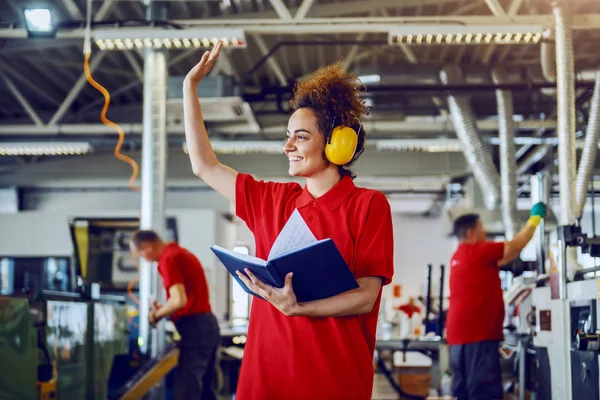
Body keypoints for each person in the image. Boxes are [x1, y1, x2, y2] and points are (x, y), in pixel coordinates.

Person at [183, 41, 394, 400]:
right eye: (287, 136)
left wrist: (299, 308)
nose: (288, 146)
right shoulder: (272, 200)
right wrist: (190, 88)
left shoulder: (367, 205)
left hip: (333, 379)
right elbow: (203, 165)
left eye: (301, 136)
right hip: (265, 376)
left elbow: (366, 296)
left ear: (335, 144)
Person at [446, 202, 547, 400]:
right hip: (479, 335)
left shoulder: (459, 256)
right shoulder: (477, 251)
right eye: (481, 228)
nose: (485, 233)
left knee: (464, 393)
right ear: (470, 232)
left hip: (460, 337)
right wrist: (534, 220)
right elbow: (514, 247)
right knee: (484, 392)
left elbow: (506, 257)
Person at [130, 230, 220, 400]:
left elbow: (179, 300)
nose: (144, 260)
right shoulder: (180, 253)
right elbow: (186, 298)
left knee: (187, 391)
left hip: (196, 328)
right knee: (204, 390)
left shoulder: (168, 259)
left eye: (140, 255)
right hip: (206, 325)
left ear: (148, 247)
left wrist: (155, 315)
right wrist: (164, 308)